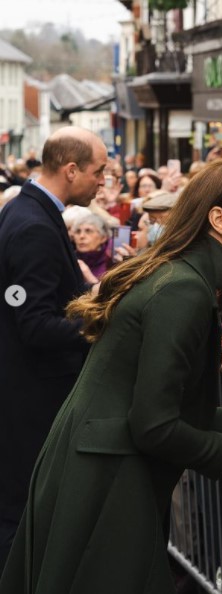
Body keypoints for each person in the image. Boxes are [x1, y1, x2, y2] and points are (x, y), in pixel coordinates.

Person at [0, 158, 222, 594]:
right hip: (107, 482)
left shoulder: (181, 279)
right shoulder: (183, 289)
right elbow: (153, 424)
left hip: (102, 470)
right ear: (219, 219)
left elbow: (161, 406)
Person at [0, 126, 108, 573]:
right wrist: (102, 319)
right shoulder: (32, 226)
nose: (104, 180)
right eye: (99, 171)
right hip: (32, 400)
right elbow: (37, 324)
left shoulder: (27, 212)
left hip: (27, 393)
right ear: (70, 170)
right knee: (20, 513)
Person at [72, 213, 113, 281]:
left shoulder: (111, 262)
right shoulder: (70, 260)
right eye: (78, 231)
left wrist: (89, 277)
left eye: (88, 231)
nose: (81, 236)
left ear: (103, 238)